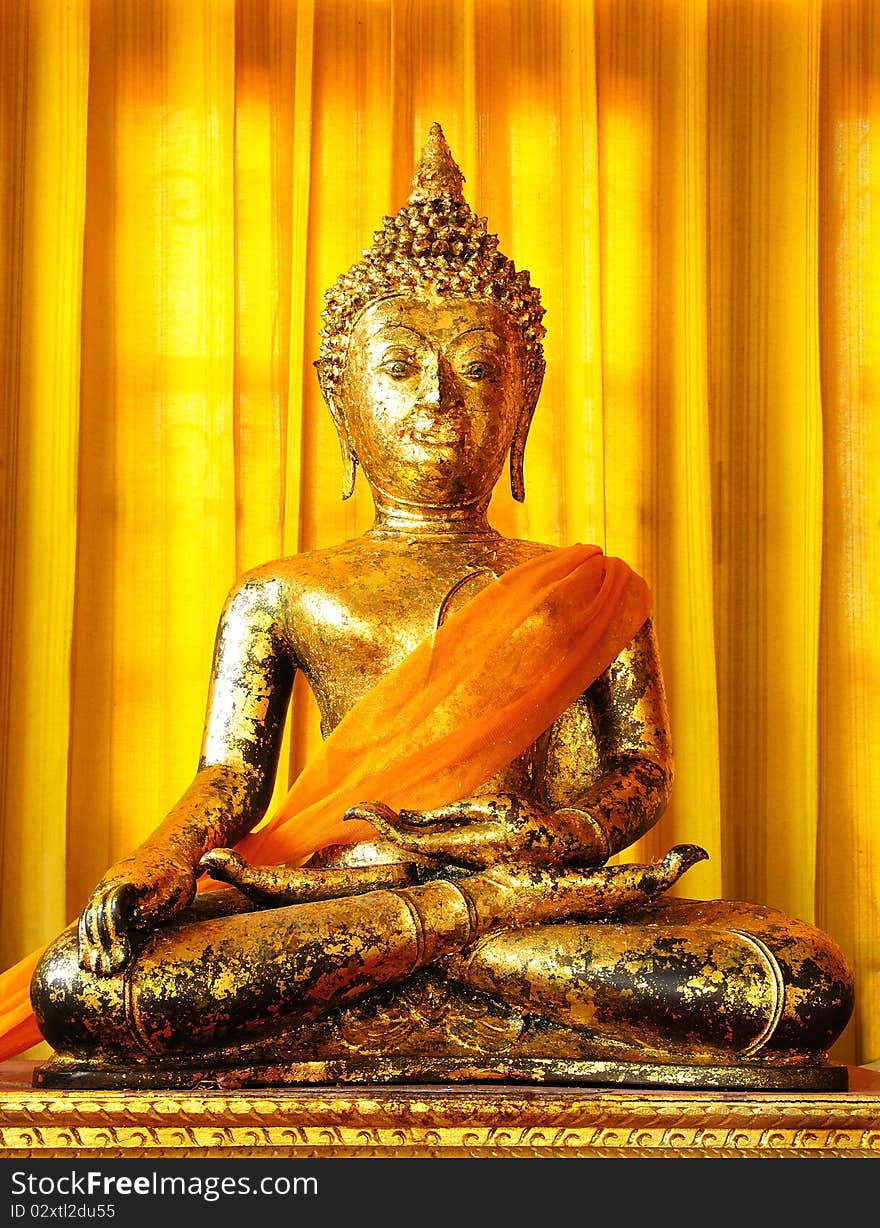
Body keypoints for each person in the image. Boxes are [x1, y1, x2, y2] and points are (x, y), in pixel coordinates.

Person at [28, 127, 853, 1089]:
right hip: (348, 895)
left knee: (795, 979)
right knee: (83, 986)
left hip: (525, 899)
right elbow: (228, 778)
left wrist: (557, 840)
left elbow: (638, 770)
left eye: (476, 367)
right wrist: (158, 861)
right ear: (343, 404)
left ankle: (398, 966)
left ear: (523, 403)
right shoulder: (284, 591)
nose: (439, 399)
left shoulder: (589, 589)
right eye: (400, 367)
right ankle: (459, 944)